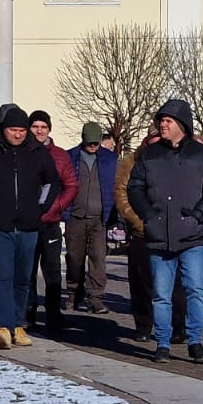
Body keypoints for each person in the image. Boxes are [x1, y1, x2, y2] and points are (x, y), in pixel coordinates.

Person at [127, 99, 203, 364]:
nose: (162, 125)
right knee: (161, 293)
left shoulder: (202, 155)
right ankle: (163, 343)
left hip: (192, 236)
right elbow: (134, 187)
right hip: (159, 236)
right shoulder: (150, 154)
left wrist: (199, 214)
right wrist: (148, 215)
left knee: (195, 288)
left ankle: (195, 341)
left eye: (168, 121)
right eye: (161, 120)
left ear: (181, 124)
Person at [0, 104, 63, 349]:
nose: (17, 135)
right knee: (2, 275)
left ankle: (18, 324)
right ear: (3, 129)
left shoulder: (37, 151)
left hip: (29, 225)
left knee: (23, 277)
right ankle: (3, 327)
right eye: (12, 130)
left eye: (21, 130)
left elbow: (52, 181)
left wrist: (40, 207)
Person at [26, 110, 78, 334]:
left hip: (50, 223)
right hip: (26, 222)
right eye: (35, 126)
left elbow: (72, 185)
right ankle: (27, 313)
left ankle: (53, 313)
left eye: (43, 127)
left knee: (53, 270)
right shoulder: (21, 152)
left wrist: (57, 206)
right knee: (26, 271)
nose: (39, 131)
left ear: (49, 129)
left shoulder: (60, 155)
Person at [114, 129, 167, 342]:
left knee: (170, 284)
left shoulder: (172, 161)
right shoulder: (131, 162)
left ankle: (174, 326)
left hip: (168, 230)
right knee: (141, 283)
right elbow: (121, 192)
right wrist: (138, 221)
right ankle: (143, 325)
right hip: (141, 230)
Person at [65, 121, 117, 313]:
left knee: (98, 259)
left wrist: (114, 216)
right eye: (90, 143)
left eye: (96, 143)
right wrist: (65, 212)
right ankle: (73, 293)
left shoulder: (110, 159)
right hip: (75, 216)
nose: (93, 146)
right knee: (74, 258)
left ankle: (96, 298)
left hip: (100, 218)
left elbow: (115, 187)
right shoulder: (70, 157)